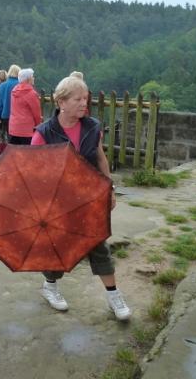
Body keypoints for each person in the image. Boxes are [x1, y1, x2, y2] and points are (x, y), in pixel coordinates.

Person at [31, 75, 131, 321]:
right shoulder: (44, 133)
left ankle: (114, 296)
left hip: (89, 200)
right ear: (61, 102)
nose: (84, 103)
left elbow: (100, 158)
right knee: (58, 248)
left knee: (98, 246)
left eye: (85, 98)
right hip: (59, 204)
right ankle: (50, 287)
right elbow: (32, 171)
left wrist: (109, 188)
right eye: (78, 99)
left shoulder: (91, 127)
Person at [8, 68, 43, 145]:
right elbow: (36, 114)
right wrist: (38, 126)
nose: (34, 78)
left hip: (13, 128)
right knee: (27, 154)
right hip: (26, 130)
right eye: (32, 76)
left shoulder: (14, 90)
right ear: (28, 79)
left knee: (14, 153)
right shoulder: (31, 93)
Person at [0, 64, 20, 141]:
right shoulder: (20, 84)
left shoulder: (2, 85)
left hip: (5, 115)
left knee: (8, 138)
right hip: (18, 116)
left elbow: (0, 103)